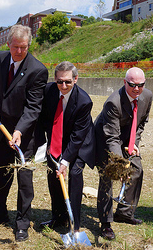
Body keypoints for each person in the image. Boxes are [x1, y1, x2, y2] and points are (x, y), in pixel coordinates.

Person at [0, 25, 48, 242]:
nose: (19, 51)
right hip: (3, 127)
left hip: (26, 132)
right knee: (1, 171)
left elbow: (33, 107)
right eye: (16, 47)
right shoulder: (0, 58)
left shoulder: (37, 70)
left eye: (24, 47)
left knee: (24, 177)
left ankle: (22, 223)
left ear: (29, 45)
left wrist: (19, 130)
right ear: (8, 44)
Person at [35, 61, 95, 232]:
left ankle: (74, 222)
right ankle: (58, 217)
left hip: (80, 141)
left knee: (74, 174)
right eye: (60, 81)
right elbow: (44, 118)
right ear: (55, 79)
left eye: (68, 81)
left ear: (75, 79)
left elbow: (78, 136)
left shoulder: (84, 101)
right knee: (53, 175)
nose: (63, 85)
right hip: (56, 138)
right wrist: (47, 143)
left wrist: (66, 160)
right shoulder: (49, 91)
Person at [95, 67, 152, 240]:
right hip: (105, 139)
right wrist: (120, 164)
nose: (137, 89)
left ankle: (125, 212)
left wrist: (133, 143)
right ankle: (105, 223)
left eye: (140, 85)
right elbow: (112, 137)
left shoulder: (147, 96)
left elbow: (141, 122)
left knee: (137, 170)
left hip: (127, 139)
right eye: (132, 85)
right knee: (108, 177)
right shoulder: (113, 102)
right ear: (124, 82)